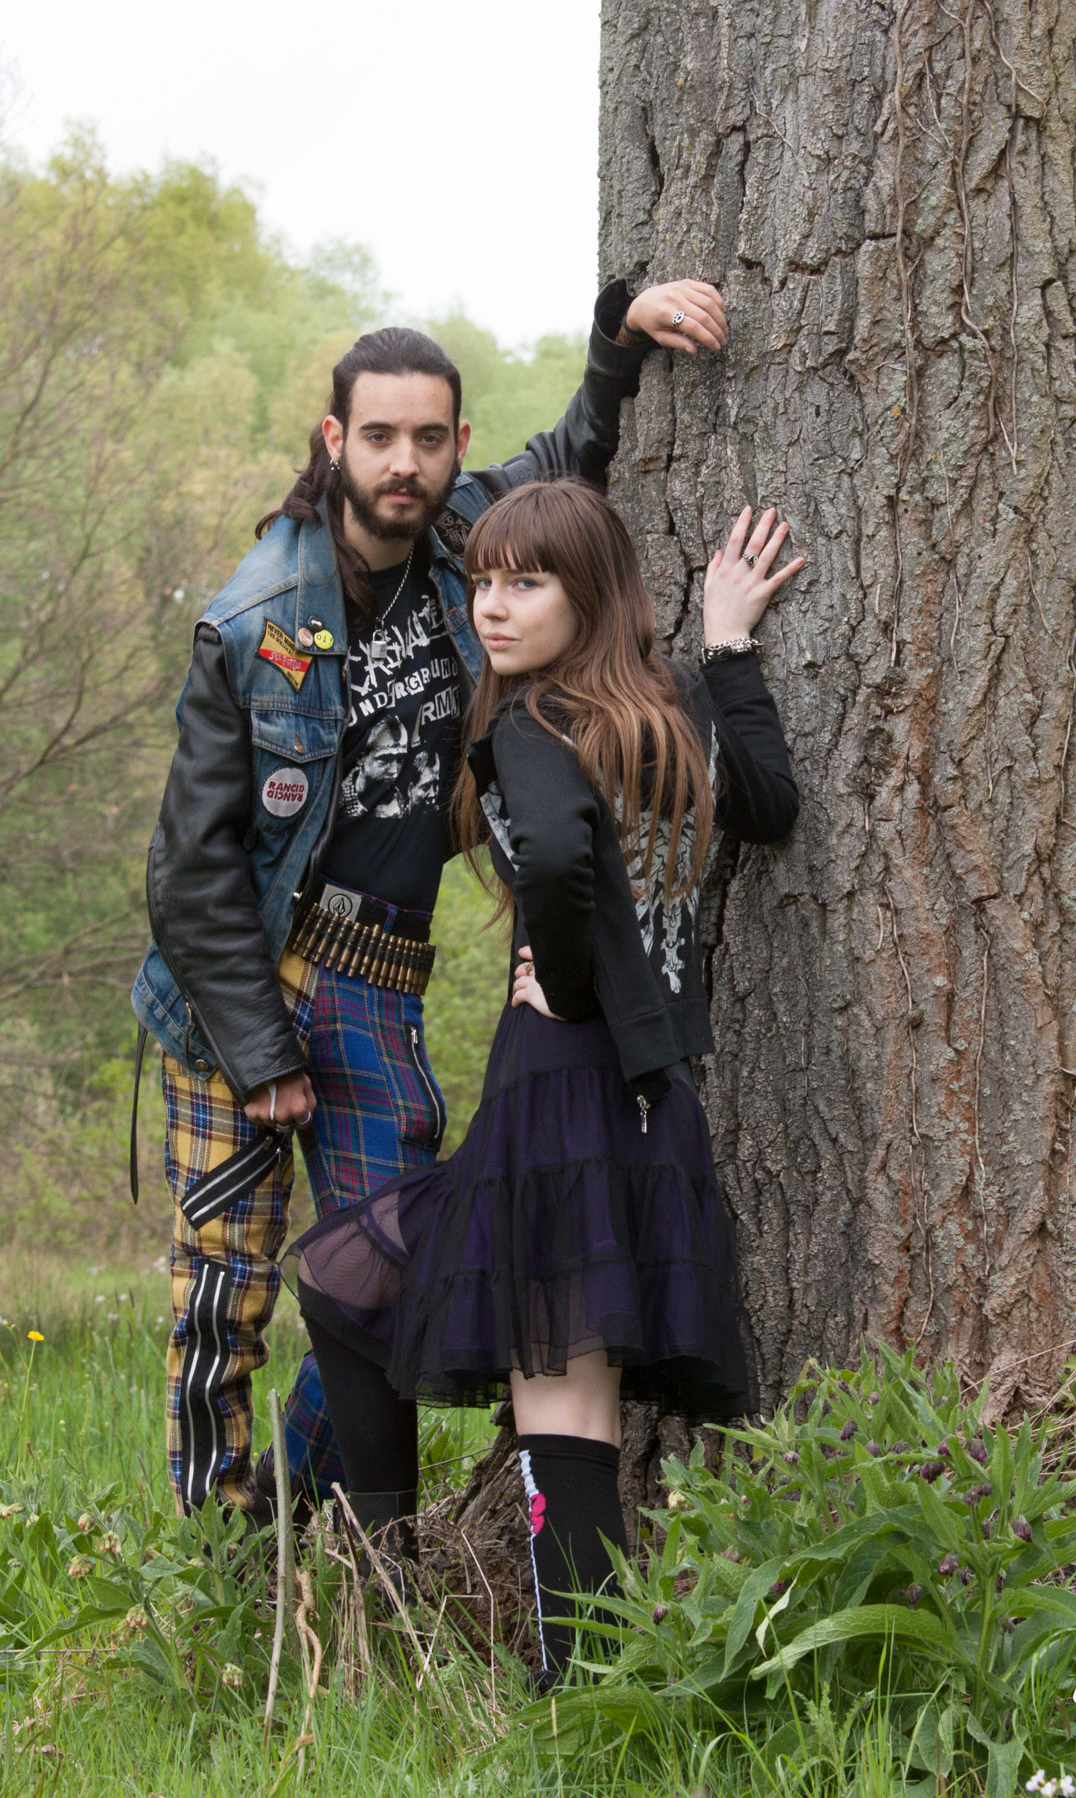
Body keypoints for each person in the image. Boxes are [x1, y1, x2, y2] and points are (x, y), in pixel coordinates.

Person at [130, 277, 730, 1521]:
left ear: (455, 445)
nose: (403, 463)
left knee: (388, 1274)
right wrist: (258, 1050)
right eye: (378, 436)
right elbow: (187, 865)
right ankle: (217, 1546)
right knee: (224, 1282)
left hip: (379, 975)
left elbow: (571, 461)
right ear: (333, 441)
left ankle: (312, 1515)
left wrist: (618, 332)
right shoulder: (252, 618)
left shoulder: (472, 541)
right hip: (238, 976)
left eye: (427, 438)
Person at [288, 480, 802, 1680]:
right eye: (483, 582)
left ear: (589, 595)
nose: (493, 606)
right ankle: (552, 1663)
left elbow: (565, 858)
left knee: (527, 1386)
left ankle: (479, 1635)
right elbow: (771, 806)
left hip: (559, 1083)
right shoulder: (664, 717)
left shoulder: (532, 726)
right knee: (531, 1383)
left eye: (527, 583)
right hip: (644, 1095)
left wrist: (565, 987)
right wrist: (727, 649)